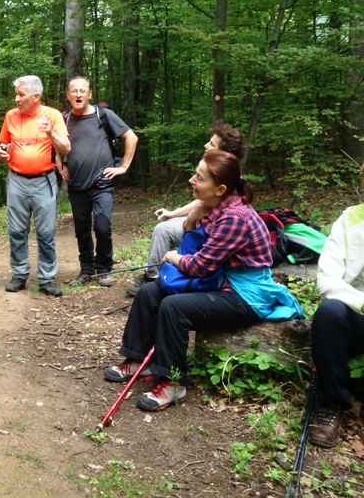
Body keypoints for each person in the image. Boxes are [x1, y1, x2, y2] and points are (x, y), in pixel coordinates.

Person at [104, 150, 302, 411]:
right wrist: (192, 219)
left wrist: (172, 257)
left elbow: (200, 266)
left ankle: (173, 383)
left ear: (220, 188)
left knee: (174, 307)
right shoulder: (215, 207)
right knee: (149, 292)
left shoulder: (234, 217)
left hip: (246, 295)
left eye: (199, 177)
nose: (192, 180)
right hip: (219, 282)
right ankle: (138, 360)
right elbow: (193, 246)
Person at [126, 122, 246, 297]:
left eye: (212, 144)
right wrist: (172, 214)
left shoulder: (227, 183)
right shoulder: (217, 170)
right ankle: (155, 275)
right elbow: (200, 203)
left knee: (164, 230)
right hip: (203, 225)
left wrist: (187, 221)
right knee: (165, 227)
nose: (206, 145)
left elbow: (201, 206)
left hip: (208, 231)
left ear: (224, 152)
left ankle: (155, 279)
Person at [56, 77, 137, 288]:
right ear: (68, 95)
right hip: (76, 184)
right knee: (81, 230)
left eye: (82, 91)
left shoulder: (103, 115)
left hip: (102, 183)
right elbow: (53, 144)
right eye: (74, 91)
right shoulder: (63, 118)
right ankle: (87, 270)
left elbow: (131, 137)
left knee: (102, 226)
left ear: (89, 94)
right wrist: (59, 164)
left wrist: (123, 167)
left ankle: (103, 268)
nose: (78, 94)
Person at [0, 75, 71, 297]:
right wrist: (2, 153)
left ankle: (47, 278)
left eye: (21, 95)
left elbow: (66, 148)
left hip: (43, 181)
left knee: (45, 232)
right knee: (16, 230)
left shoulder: (52, 115)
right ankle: (19, 274)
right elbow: (3, 147)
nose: (17, 99)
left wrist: (50, 132)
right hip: (16, 180)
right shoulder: (11, 116)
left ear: (36, 96)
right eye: (16, 95)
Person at [308, 164, 364, 448]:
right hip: (357, 314)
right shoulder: (350, 219)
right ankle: (331, 401)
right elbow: (327, 279)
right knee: (329, 312)